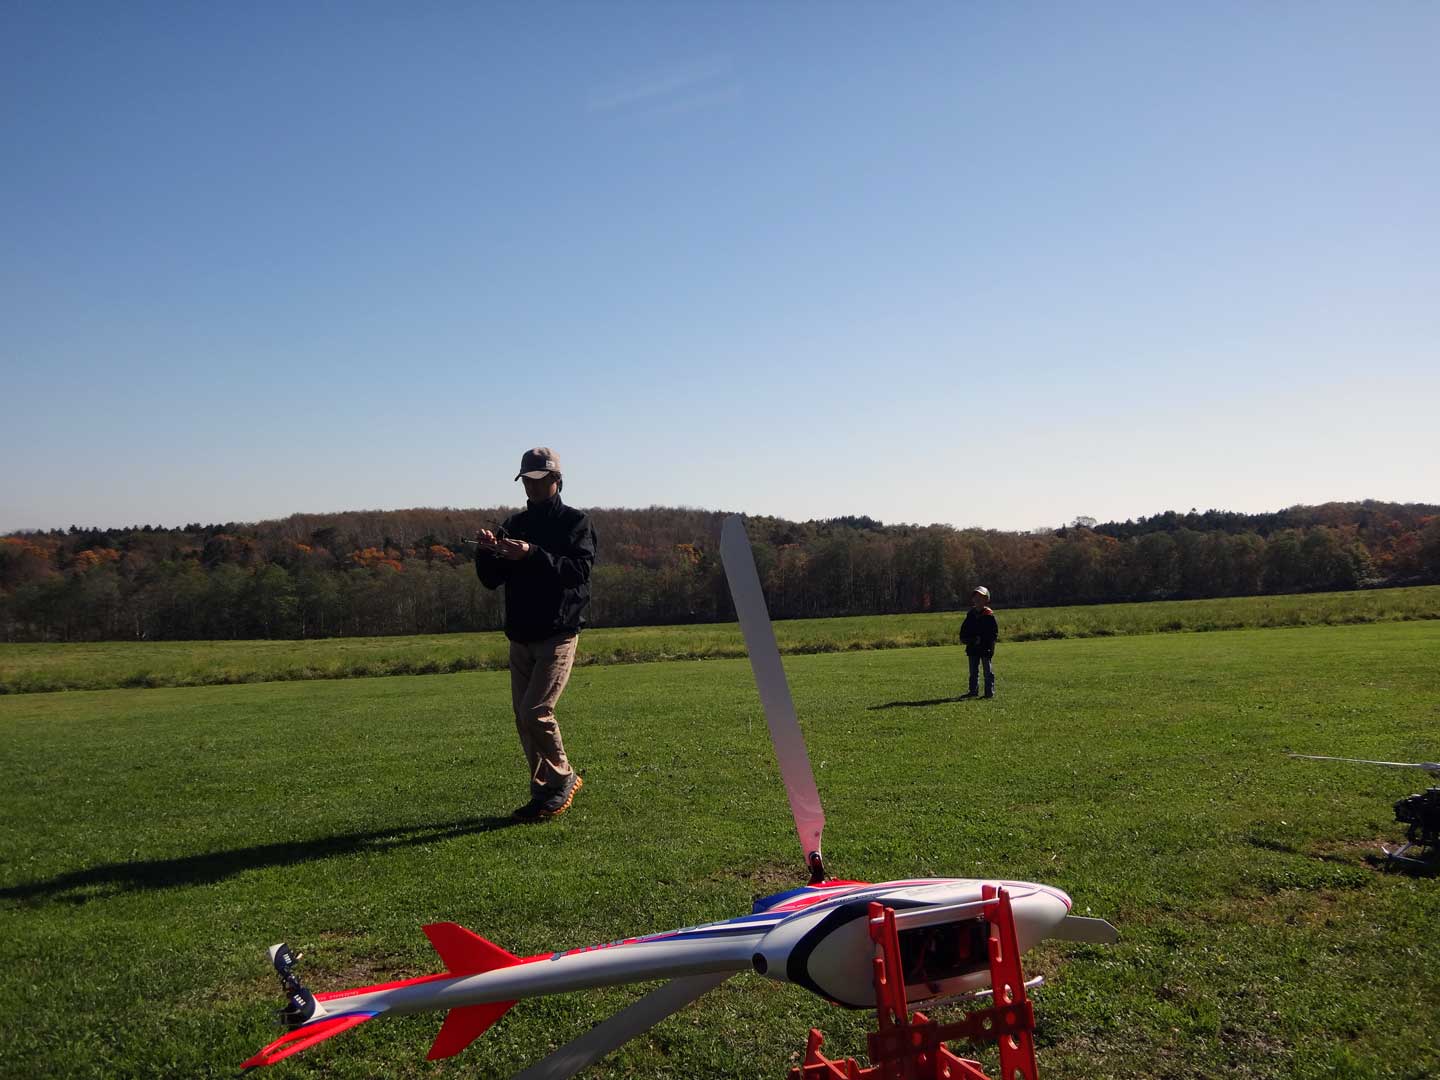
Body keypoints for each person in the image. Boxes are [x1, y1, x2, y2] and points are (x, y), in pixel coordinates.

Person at [475, 447, 597, 821]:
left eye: (540, 480)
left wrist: (531, 553)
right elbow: (491, 580)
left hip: (558, 632)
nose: (532, 487)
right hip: (521, 635)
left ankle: (563, 777)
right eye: (527, 481)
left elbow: (578, 573)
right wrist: (487, 552)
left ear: (556, 480)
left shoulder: (576, 522)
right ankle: (543, 792)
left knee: (536, 711)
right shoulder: (513, 524)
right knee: (523, 718)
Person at [958, 586, 998, 699]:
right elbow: (964, 630)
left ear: (986, 599)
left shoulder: (989, 615)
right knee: (973, 671)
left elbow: (993, 634)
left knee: (987, 671)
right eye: (976, 597)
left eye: (981, 597)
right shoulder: (970, 615)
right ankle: (973, 691)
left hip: (985, 647)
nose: (978, 599)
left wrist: (991, 647)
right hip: (972, 647)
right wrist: (968, 639)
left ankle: (989, 692)